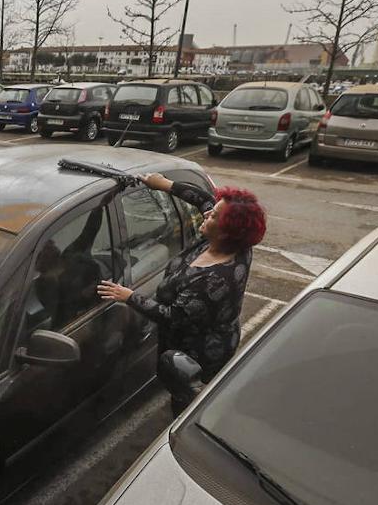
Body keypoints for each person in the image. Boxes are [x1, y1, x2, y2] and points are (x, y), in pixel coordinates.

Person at [97, 173, 266, 417]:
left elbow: (172, 316)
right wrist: (164, 184)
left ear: (227, 232)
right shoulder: (233, 245)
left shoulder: (214, 280)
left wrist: (128, 296)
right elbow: (203, 199)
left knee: (188, 402)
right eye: (213, 210)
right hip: (208, 332)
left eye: (214, 216)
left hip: (197, 354)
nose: (207, 213)